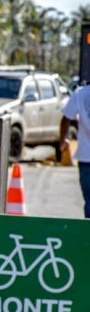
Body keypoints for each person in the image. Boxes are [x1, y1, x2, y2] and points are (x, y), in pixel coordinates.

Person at [60, 84, 90, 218]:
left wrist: (62, 141)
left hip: (86, 157)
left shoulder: (80, 94)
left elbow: (66, 118)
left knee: (89, 200)